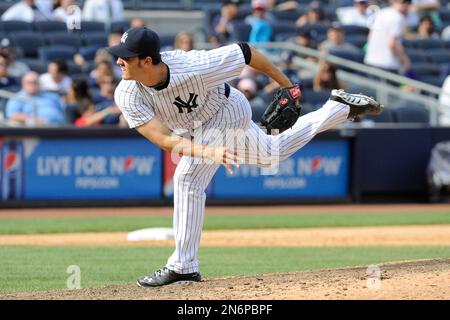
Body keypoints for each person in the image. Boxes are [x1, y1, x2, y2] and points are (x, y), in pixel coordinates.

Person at [107, 27, 382, 287]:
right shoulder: (127, 92)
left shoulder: (191, 66)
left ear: (146, 61)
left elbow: (246, 52)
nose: (119, 60)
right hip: (197, 129)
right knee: (271, 155)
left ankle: (183, 265)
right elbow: (164, 139)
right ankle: (338, 108)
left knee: (187, 179)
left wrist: (288, 86)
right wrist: (208, 151)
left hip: (227, 109)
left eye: (125, 56)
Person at [364, 0, 411, 74]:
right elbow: (392, 44)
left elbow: (370, 36)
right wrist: (404, 60)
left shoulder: (381, 13)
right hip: (387, 64)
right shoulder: (398, 17)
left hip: (371, 61)